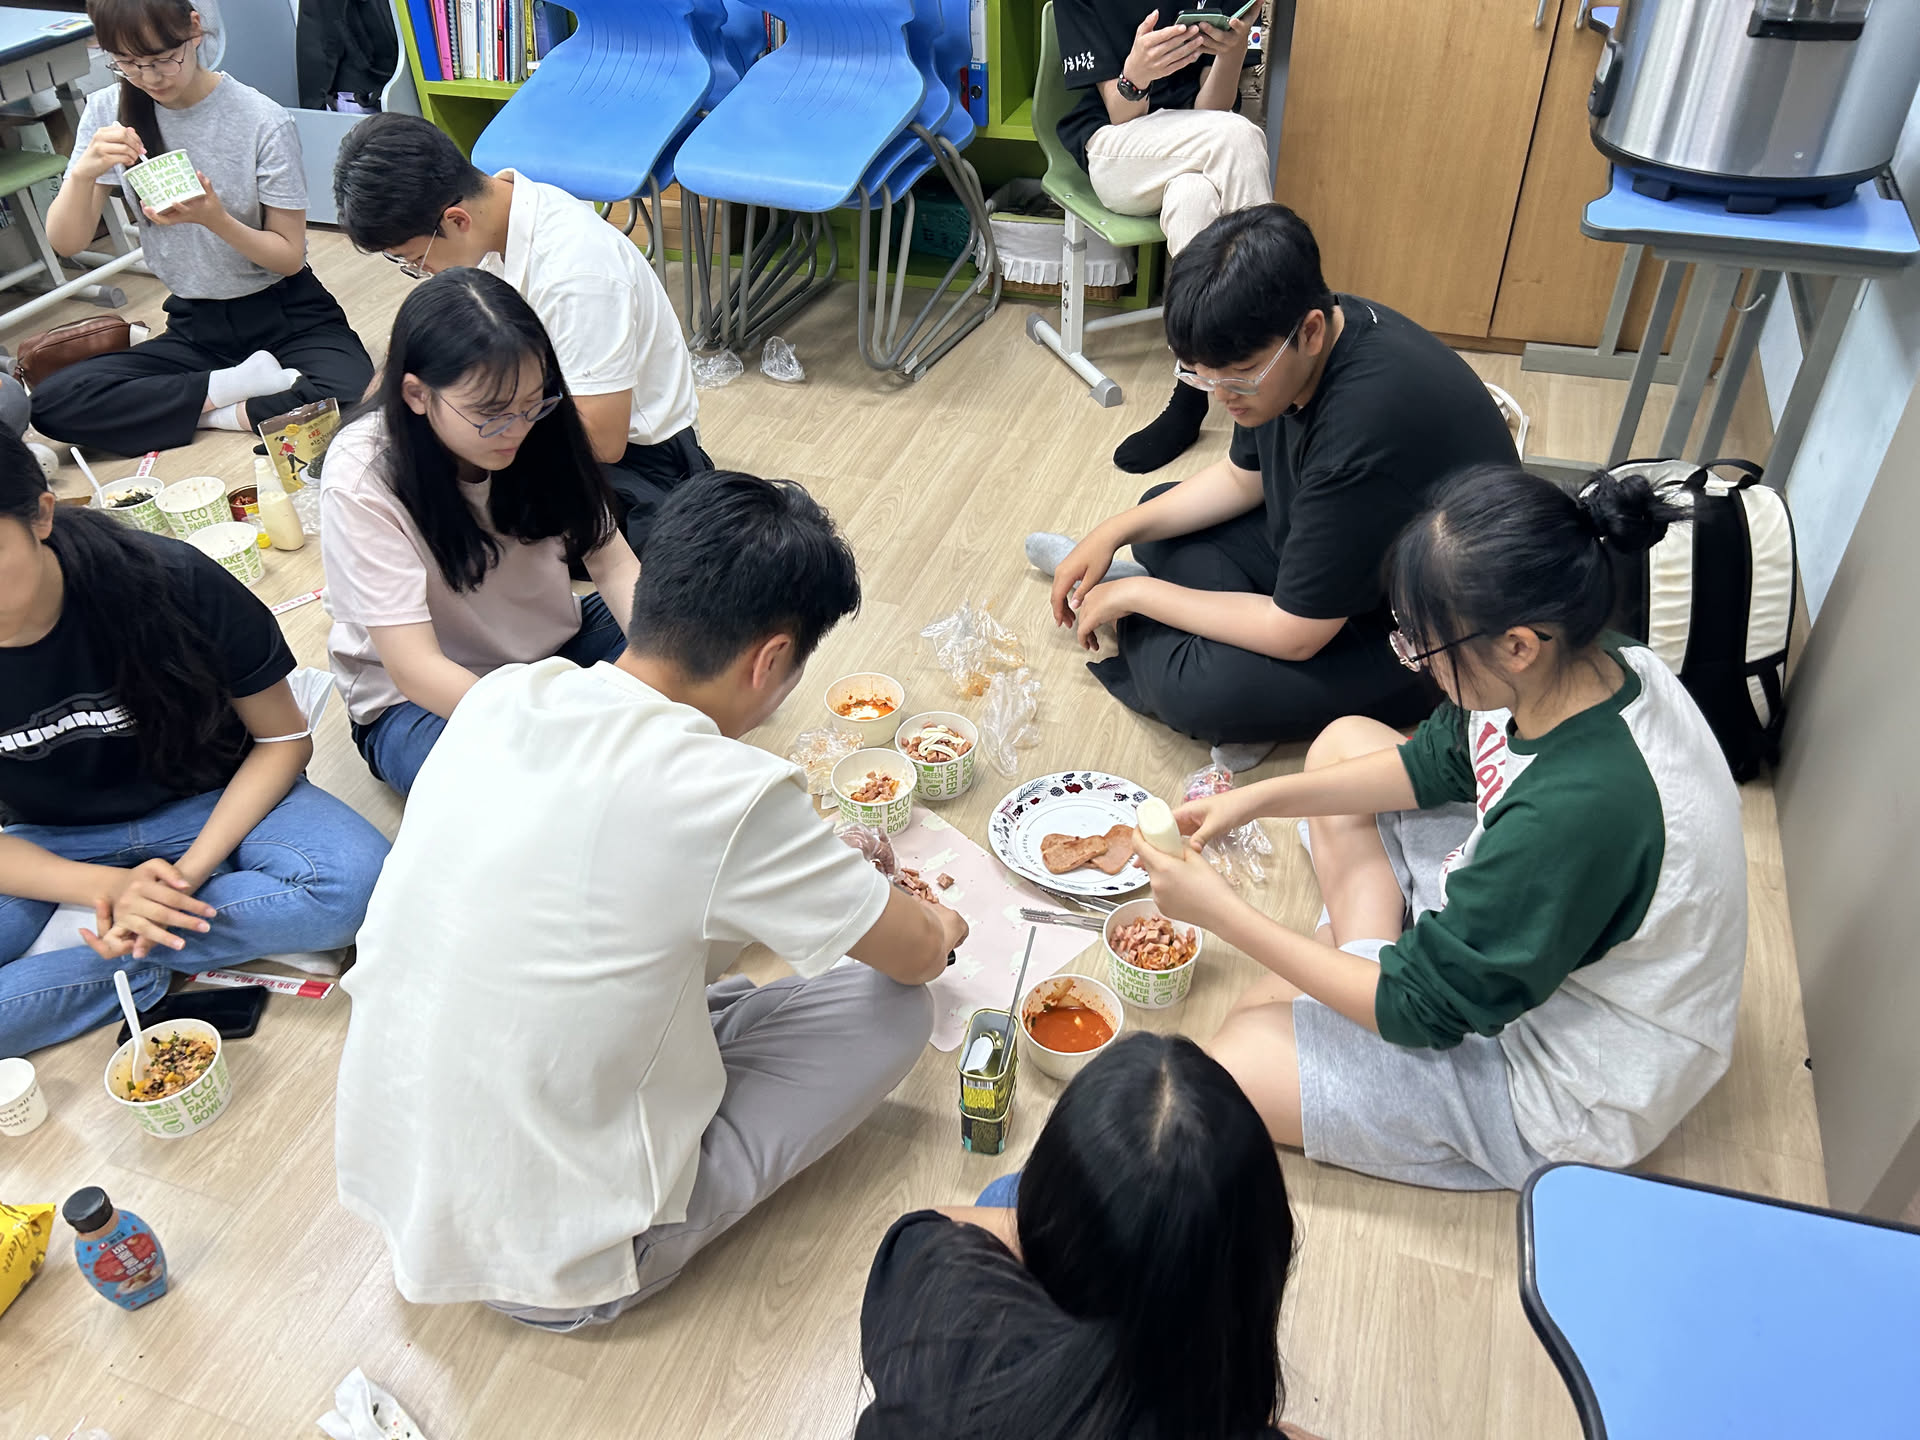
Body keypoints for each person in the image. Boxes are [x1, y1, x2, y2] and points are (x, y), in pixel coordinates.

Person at [334, 469, 968, 1327]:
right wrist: (940, 922)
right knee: (891, 1009)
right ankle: (635, 1245)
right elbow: (918, 956)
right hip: (567, 1263)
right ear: (771, 660)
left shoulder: (506, 696)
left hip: (408, 1186)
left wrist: (812, 878)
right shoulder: (728, 790)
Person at [1134, 464, 1748, 1192]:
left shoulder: (1577, 813)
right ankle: (1366, 954)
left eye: (1427, 651)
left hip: (1565, 1076)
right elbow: (1438, 761)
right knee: (1341, 744)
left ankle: (1367, 964)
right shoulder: (1586, 657)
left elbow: (1425, 1011)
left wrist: (1222, 914)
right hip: (1534, 926)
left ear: (1517, 645)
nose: (1420, 668)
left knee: (1231, 1065)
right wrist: (1257, 800)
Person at [1026, 205, 1518, 774]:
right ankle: (1199, 638)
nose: (1220, 396)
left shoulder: (1361, 427)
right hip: (1356, 555)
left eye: (1237, 376)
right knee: (1154, 516)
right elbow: (1244, 477)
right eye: (1202, 375)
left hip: (1429, 634)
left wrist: (1138, 597)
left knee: (1200, 691)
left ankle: (1160, 627)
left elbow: (1296, 634)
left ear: (1310, 332)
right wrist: (1110, 533)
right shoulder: (1289, 344)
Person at [0, 430, 387, 1056]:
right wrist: (103, 890)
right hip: (48, 837)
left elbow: (283, 739)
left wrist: (183, 878)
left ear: (41, 515)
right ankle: (135, 952)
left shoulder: (167, 580)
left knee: (355, 886)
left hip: (211, 798)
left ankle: (111, 949)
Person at [858, 1033, 1319, 1440]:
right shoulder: (1207, 1396)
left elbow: (931, 1223)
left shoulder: (928, 1280)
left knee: (1002, 1194)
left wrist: (1065, 1221)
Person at [320, 268, 643, 797]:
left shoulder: (542, 427)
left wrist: (663, 665)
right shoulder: (363, 478)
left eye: (533, 402)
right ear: (417, 394)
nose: (517, 429)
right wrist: (544, 732)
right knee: (508, 798)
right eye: (491, 414)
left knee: (691, 624)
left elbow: (613, 563)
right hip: (426, 700)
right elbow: (415, 667)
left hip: (549, 648)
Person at [332, 113, 704, 554]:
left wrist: (455, 430)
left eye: (415, 259)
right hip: (543, 412)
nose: (421, 271)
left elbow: (604, 442)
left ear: (456, 220)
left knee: (450, 518)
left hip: (635, 459)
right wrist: (370, 431)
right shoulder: (497, 217)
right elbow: (416, 348)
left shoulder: (576, 273)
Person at [31, 0, 373, 453]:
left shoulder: (261, 119)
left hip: (287, 313)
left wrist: (215, 219)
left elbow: (289, 258)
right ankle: (233, 387)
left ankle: (211, 407)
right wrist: (82, 174)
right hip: (195, 325)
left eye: (162, 59)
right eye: (128, 63)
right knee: (53, 403)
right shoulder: (108, 111)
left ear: (194, 29)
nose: (150, 77)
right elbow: (67, 241)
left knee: (353, 393)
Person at [1055, 0, 1272, 472]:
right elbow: (1120, 114)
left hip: (1193, 143)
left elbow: (1210, 111)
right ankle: (1271, 370)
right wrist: (1136, 74)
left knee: (1193, 198)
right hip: (1117, 147)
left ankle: (1190, 392)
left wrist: (1232, 50)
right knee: (1240, 137)